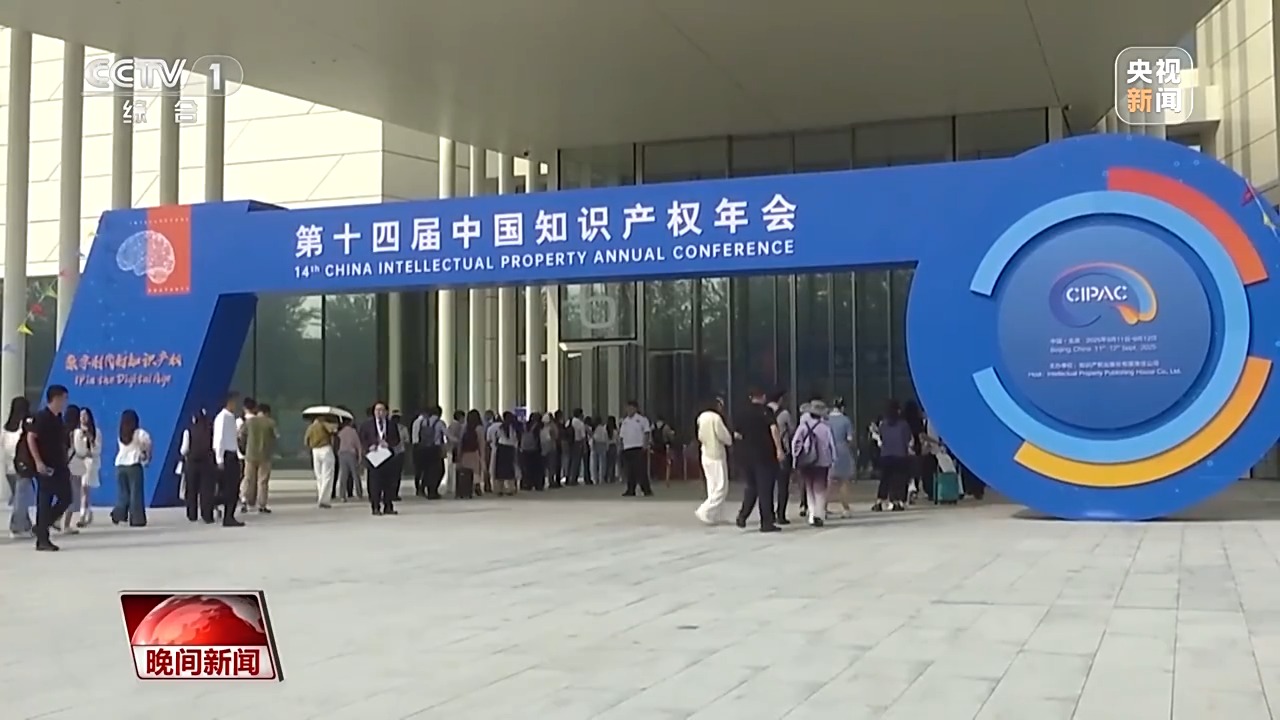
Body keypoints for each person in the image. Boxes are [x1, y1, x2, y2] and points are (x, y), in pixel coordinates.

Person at [28, 386, 74, 550]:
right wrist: (38, 461)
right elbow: (31, 438)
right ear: (56, 399)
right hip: (45, 465)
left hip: (60, 465)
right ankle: (42, 540)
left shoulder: (58, 418)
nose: (65, 402)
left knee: (67, 497)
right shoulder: (42, 417)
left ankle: (42, 526)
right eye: (64, 398)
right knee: (44, 501)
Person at [734, 387, 782, 533]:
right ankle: (766, 522)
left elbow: (737, 434)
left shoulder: (742, 413)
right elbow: (774, 429)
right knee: (765, 489)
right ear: (763, 396)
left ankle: (742, 516)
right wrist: (779, 449)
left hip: (747, 456)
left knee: (751, 487)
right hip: (764, 455)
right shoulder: (766, 411)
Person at [792, 398, 837, 527]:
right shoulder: (825, 428)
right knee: (820, 489)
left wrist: (796, 458)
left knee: (809, 488)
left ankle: (812, 514)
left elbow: (795, 443)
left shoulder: (803, 427)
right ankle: (819, 514)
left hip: (806, 461)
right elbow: (831, 445)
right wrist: (833, 459)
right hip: (823, 461)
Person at [110, 407, 151, 530]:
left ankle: (118, 513)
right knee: (135, 494)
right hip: (134, 465)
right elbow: (147, 444)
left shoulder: (121, 434)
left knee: (123, 493)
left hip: (120, 465)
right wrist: (146, 455)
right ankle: (137, 519)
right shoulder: (140, 433)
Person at [694, 396, 733, 525]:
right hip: (716, 454)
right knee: (721, 487)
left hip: (705, 453)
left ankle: (714, 516)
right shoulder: (715, 418)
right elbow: (724, 436)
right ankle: (704, 510)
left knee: (712, 486)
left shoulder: (701, 417)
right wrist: (730, 440)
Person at [358, 402, 401, 515]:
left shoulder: (391, 424)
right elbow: (362, 438)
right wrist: (368, 447)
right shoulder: (367, 425)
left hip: (387, 457)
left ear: (386, 412)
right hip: (374, 458)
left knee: (389, 483)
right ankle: (375, 507)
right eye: (377, 410)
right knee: (374, 484)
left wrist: (389, 444)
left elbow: (397, 439)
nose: (379, 412)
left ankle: (388, 506)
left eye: (382, 410)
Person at [211, 392, 245, 527]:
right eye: (234, 402)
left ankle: (229, 515)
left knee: (233, 488)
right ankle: (225, 514)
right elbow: (219, 439)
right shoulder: (222, 417)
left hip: (232, 454)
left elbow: (232, 439)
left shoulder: (231, 417)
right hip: (227, 455)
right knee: (229, 488)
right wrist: (219, 459)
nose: (235, 405)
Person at [181, 408, 219, 523]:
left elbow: (184, 450)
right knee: (207, 490)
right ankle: (207, 515)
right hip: (208, 463)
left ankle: (192, 514)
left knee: (191, 489)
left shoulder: (188, 431)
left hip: (192, 463)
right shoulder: (211, 430)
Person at [874, 400, 914, 512]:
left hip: (886, 455)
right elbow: (908, 440)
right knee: (899, 479)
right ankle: (897, 502)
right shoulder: (903, 424)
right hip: (900, 455)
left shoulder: (883, 424)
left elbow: (880, 439)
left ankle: (879, 501)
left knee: (885, 479)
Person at [3, 396, 33, 538]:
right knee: (21, 498)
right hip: (22, 466)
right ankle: (16, 526)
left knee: (19, 497)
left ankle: (26, 524)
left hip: (8, 467)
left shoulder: (6, 428)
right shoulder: (24, 427)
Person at [68, 407, 102, 529]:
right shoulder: (76, 432)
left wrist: (91, 439)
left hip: (90, 462)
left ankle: (83, 515)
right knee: (80, 489)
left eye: (85, 415)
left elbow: (97, 449)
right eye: (81, 415)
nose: (83, 418)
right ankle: (87, 511)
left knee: (85, 487)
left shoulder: (96, 432)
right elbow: (77, 449)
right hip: (79, 462)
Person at [241, 402, 278, 513]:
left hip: (250, 454)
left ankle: (244, 500)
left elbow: (241, 435)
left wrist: (244, 448)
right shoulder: (270, 422)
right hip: (265, 456)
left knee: (248, 478)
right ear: (267, 412)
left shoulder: (249, 422)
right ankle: (262, 505)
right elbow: (276, 436)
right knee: (262, 481)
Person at [824, 397, 856, 519]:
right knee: (844, 482)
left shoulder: (826, 420)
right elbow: (850, 439)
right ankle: (845, 509)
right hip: (842, 451)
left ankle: (823, 508)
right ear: (842, 407)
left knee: (828, 482)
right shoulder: (845, 420)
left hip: (828, 451)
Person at [767, 389, 795, 524]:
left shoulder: (763, 412)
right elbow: (792, 430)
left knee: (767, 485)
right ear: (780, 399)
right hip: (783, 452)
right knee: (783, 485)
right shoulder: (784, 414)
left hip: (766, 452)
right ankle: (781, 514)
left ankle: (769, 514)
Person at [619, 401, 653, 497]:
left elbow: (646, 432)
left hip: (638, 447)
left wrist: (645, 445)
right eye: (627, 408)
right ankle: (630, 489)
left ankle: (646, 489)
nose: (629, 410)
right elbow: (621, 436)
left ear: (635, 409)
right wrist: (621, 447)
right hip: (627, 447)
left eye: (631, 408)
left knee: (640, 470)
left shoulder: (642, 420)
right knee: (630, 471)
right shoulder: (625, 421)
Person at [413, 405, 447, 499]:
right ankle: (433, 490)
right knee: (438, 470)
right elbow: (446, 434)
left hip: (423, 448)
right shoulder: (439, 423)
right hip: (435, 449)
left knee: (427, 470)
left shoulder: (423, 422)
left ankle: (425, 488)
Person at [305, 414, 337, 509]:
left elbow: (306, 441)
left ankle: (320, 496)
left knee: (319, 476)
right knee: (327, 475)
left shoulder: (310, 427)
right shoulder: (324, 424)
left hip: (315, 451)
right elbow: (333, 431)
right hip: (325, 448)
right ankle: (324, 499)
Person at [454, 410, 486, 499]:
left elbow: (460, 442)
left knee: (465, 471)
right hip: (474, 453)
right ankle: (476, 487)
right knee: (475, 471)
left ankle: (466, 488)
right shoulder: (479, 428)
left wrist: (459, 455)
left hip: (465, 454)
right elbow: (481, 442)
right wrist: (482, 456)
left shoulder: (464, 427)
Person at [490, 411, 520, 496]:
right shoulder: (508, 428)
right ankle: (505, 488)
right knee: (506, 469)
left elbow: (496, 439)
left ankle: (504, 488)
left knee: (504, 470)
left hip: (505, 448)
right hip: (506, 448)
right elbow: (515, 439)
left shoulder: (505, 428)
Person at [336, 417, 364, 501]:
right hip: (351, 454)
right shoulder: (353, 432)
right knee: (355, 474)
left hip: (342, 454)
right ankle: (359, 493)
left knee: (343, 475)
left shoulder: (340, 432)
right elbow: (358, 445)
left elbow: (336, 444)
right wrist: (360, 456)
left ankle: (342, 495)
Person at [519, 413, 545, 491]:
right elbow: (538, 438)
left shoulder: (524, 425)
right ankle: (538, 484)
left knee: (526, 468)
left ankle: (526, 484)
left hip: (524, 449)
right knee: (537, 468)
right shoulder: (537, 426)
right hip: (534, 450)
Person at [651, 415, 675, 486]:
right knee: (667, 463)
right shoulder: (666, 427)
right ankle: (667, 478)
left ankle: (655, 476)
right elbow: (670, 437)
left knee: (656, 462)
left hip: (655, 447)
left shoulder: (653, 426)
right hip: (665, 446)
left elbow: (650, 437)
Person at [591, 415, 615, 485]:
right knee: (602, 463)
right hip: (602, 444)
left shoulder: (594, 429)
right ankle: (601, 478)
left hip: (595, 445)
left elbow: (591, 438)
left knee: (594, 463)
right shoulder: (603, 429)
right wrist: (607, 447)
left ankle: (595, 478)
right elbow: (606, 438)